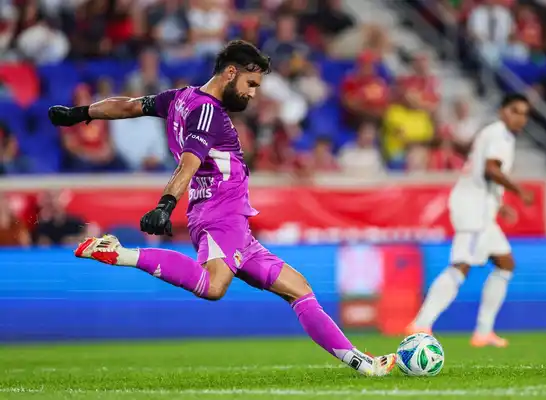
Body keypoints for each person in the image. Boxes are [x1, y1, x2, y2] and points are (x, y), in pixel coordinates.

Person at [47, 40, 396, 376]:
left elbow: (128, 106)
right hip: (220, 215)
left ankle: (362, 364)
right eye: (250, 84)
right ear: (231, 72)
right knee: (213, 286)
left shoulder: (180, 98)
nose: (252, 93)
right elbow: (188, 162)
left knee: (299, 289)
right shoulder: (207, 112)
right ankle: (121, 253)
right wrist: (165, 205)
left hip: (233, 222)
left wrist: (80, 113)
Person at [405, 93, 534, 347]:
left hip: (482, 207)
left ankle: (483, 331)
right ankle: (421, 323)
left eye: (524, 114)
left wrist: (500, 204)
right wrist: (519, 191)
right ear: (502, 111)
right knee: (461, 265)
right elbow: (491, 169)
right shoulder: (499, 135)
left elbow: (482, 173)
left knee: (505, 263)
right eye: (515, 111)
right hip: (474, 209)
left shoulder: (497, 134)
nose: (520, 118)